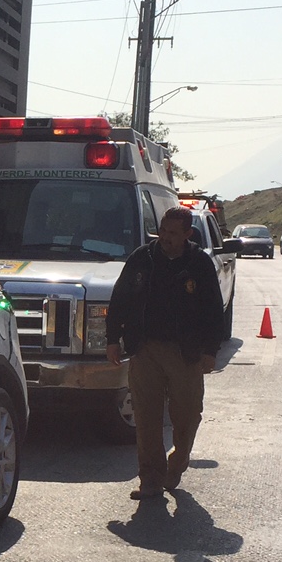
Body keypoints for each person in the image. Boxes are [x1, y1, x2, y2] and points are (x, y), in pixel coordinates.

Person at [104, 206, 225, 500]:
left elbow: (213, 310)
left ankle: (178, 462)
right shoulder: (142, 258)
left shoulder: (199, 264)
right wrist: (112, 339)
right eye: (163, 230)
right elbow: (119, 298)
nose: (166, 237)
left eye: (173, 233)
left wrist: (210, 351)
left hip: (185, 353)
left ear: (187, 234)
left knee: (187, 414)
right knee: (146, 416)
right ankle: (151, 479)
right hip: (145, 349)